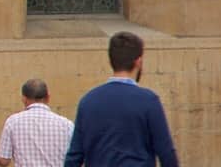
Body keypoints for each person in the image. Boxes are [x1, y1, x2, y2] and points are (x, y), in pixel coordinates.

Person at [65, 32, 177, 167]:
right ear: (138, 62)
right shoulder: (148, 101)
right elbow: (166, 153)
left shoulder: (88, 101)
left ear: (111, 61)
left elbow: (74, 156)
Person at [0, 79, 73, 167]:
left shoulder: (12, 122)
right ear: (48, 97)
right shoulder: (67, 125)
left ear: (24, 99)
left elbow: (3, 161)